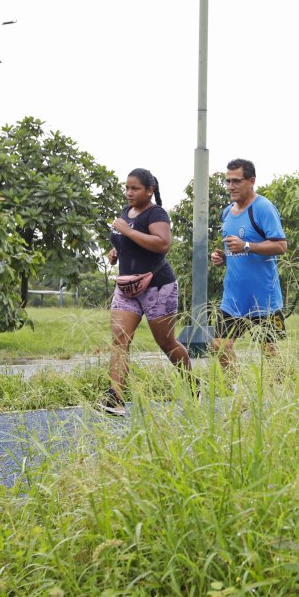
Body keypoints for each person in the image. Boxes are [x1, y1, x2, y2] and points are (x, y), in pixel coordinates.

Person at [99, 168, 190, 416]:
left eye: (135, 188)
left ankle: (192, 384)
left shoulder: (156, 213)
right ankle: (114, 398)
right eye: (127, 188)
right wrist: (116, 252)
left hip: (157, 287)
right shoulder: (125, 212)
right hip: (127, 288)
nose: (129, 193)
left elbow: (162, 244)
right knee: (120, 339)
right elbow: (126, 242)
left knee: (166, 342)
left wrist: (127, 232)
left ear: (149, 190)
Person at [210, 158, 288, 368]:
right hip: (234, 296)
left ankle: (281, 392)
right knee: (219, 345)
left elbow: (281, 246)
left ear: (251, 181)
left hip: (263, 297)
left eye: (236, 181)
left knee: (270, 352)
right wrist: (222, 257)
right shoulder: (227, 212)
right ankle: (238, 392)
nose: (230, 187)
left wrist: (246, 245)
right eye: (227, 181)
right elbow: (236, 251)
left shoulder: (263, 208)